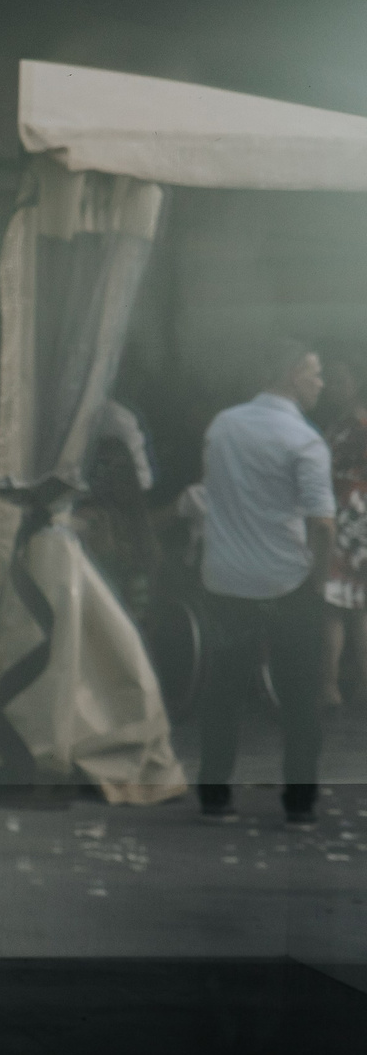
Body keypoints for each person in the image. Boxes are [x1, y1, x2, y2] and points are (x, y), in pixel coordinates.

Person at [195, 339, 336, 827]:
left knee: (223, 693)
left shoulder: (222, 425)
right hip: (287, 583)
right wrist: (319, 581)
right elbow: (322, 524)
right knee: (300, 698)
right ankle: (299, 803)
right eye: (315, 373)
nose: (321, 383)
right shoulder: (305, 441)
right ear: (292, 374)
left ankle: (214, 796)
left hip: (226, 581)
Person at [315, 358, 367, 710]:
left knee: (334, 607)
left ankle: (330, 687)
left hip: (346, 517)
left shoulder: (349, 426)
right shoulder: (349, 422)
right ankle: (362, 685)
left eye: (339, 380)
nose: (332, 387)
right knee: (359, 608)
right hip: (359, 516)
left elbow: (326, 468)